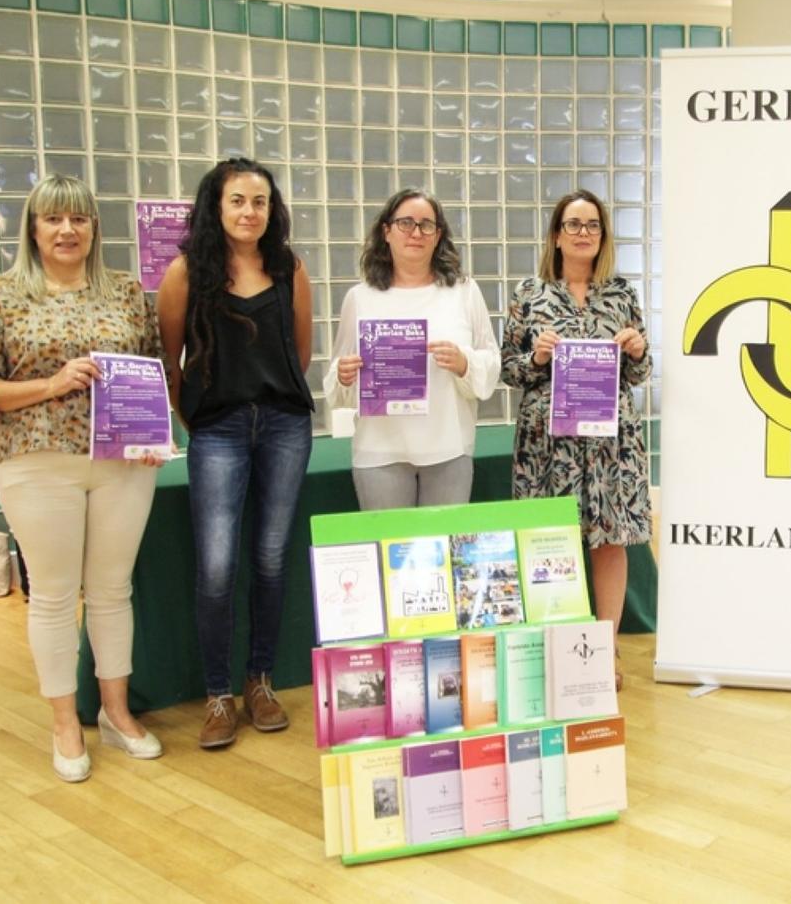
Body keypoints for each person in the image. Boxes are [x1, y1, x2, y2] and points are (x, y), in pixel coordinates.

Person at [0, 174, 165, 782]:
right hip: (36, 463)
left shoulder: (127, 292)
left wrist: (153, 431)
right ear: (33, 229)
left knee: (112, 590)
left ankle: (116, 713)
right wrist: (51, 384)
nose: (67, 230)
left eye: (78, 218)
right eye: (53, 219)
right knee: (55, 595)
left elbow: (154, 367)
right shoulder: (0, 296)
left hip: (121, 465)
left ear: (93, 228)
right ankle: (64, 722)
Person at [157, 158, 314, 749]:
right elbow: (171, 363)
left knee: (270, 559)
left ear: (272, 210)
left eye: (260, 202)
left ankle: (260, 681)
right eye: (238, 201)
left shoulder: (289, 268)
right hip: (217, 430)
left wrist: (267, 403)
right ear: (215, 207)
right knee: (218, 566)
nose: (250, 212)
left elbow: (299, 353)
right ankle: (219, 694)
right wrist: (198, 419)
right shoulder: (184, 273)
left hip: (284, 426)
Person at [501, 190, 652, 690]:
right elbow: (509, 370)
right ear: (557, 234)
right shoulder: (529, 294)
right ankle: (557, 650)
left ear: (603, 235)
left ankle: (602, 653)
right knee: (550, 543)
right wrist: (537, 358)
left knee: (609, 541)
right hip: (548, 446)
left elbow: (640, 373)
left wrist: (637, 349)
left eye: (592, 225)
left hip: (610, 445)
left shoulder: (622, 295)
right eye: (573, 224)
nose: (583, 232)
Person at [324, 189, 499, 508]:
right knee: (389, 539)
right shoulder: (360, 297)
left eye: (426, 225)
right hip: (380, 449)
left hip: (448, 447)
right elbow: (338, 374)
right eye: (405, 223)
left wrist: (464, 363)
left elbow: (491, 361)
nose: (416, 233)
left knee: (445, 540)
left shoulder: (464, 291)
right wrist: (344, 375)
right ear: (386, 231)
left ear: (438, 235)